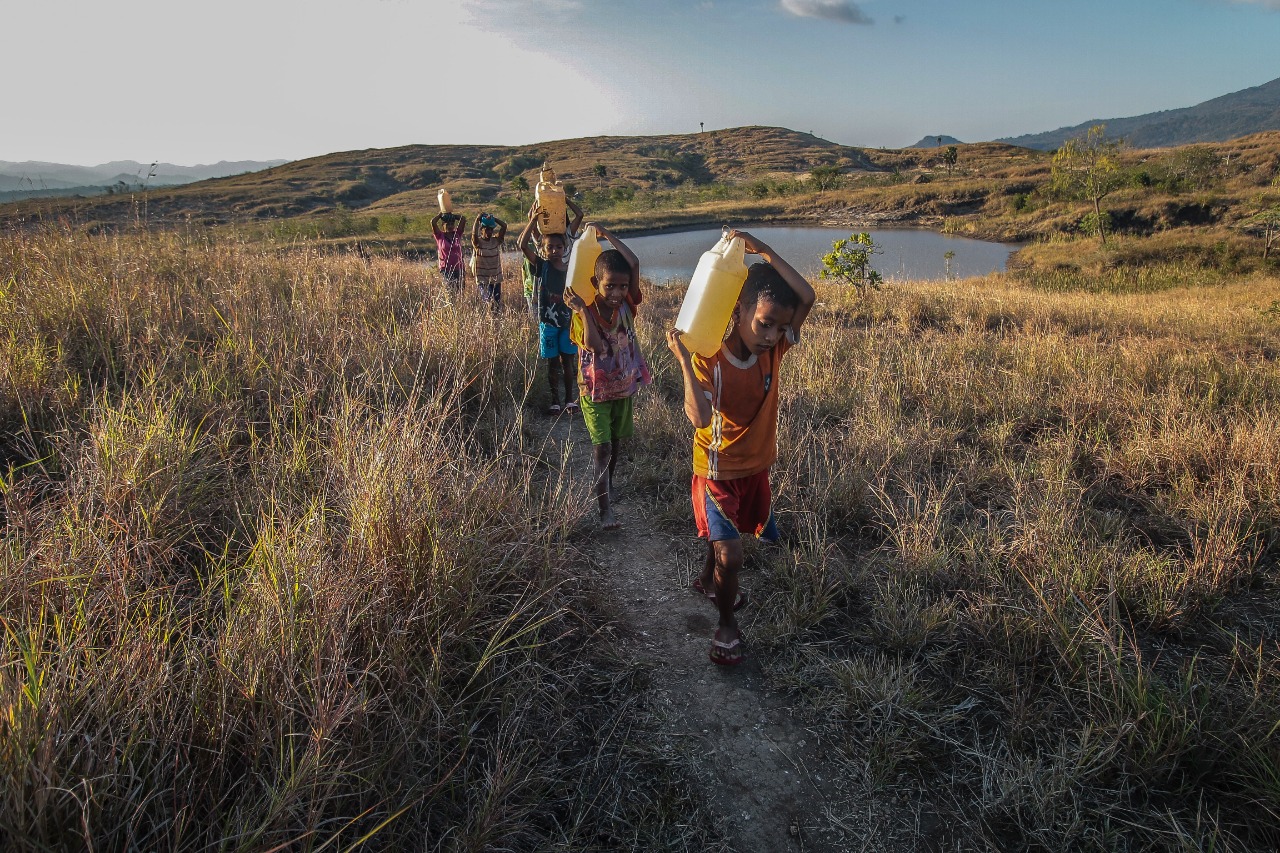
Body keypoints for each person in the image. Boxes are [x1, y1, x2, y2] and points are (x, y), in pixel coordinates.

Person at [666, 230, 815, 666]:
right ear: (738, 309)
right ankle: (726, 624)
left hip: (756, 468)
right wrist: (681, 359)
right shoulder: (708, 357)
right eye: (764, 322)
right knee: (732, 555)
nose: (773, 335)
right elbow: (698, 418)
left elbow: (806, 296)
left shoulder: (775, 351)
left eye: (781, 327)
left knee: (725, 541)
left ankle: (706, 579)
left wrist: (764, 250)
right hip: (716, 472)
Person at [563, 224, 650, 530]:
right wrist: (583, 310)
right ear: (594, 283)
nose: (617, 293)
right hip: (595, 392)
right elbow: (595, 346)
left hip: (623, 386)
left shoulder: (628, 304)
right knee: (602, 447)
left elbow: (634, 263)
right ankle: (604, 512)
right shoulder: (580, 315)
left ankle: (608, 485)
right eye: (610, 286)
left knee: (615, 443)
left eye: (623, 287)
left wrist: (607, 236)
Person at [517, 198, 584, 416]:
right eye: (550, 247)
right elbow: (522, 245)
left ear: (565, 247)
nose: (554, 250)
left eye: (558, 247)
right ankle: (555, 400)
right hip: (547, 323)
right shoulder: (542, 265)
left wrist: (564, 200)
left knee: (568, 362)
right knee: (552, 363)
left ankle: (569, 399)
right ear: (544, 249)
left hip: (567, 322)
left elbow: (580, 215)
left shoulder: (570, 268)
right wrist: (534, 219)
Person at [471, 212, 508, 314]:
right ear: (481, 230)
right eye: (487, 229)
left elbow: (504, 226)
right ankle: (489, 320)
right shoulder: (478, 243)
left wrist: (493, 219)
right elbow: (473, 234)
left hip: (496, 278)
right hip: (483, 279)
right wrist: (477, 219)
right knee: (489, 302)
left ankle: (495, 324)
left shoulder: (496, 241)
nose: (489, 232)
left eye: (491, 229)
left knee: (496, 304)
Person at [431, 210, 467, 292]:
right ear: (443, 225)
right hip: (446, 269)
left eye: (452, 224)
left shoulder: (457, 234)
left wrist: (452, 215)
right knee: (450, 291)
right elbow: (433, 222)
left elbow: (463, 219)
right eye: (448, 224)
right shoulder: (440, 236)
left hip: (459, 267)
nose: (450, 226)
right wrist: (441, 215)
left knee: (460, 292)